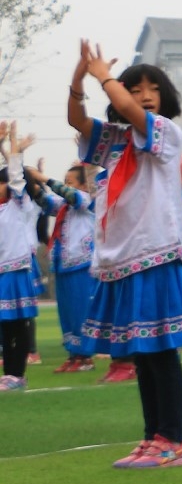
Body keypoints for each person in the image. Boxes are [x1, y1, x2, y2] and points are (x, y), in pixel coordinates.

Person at [70, 44, 182, 465]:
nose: (144, 95)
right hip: (124, 259)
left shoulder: (165, 132)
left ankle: (174, 442)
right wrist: (79, 79)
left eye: (152, 88)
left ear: (164, 97)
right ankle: (151, 438)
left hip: (155, 254)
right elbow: (76, 120)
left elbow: (127, 106)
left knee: (161, 352)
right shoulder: (117, 142)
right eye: (136, 88)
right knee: (141, 354)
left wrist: (105, 77)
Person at [28, 158, 97, 374]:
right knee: (66, 314)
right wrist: (30, 180)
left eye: (71, 182)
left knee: (80, 312)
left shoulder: (85, 200)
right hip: (62, 265)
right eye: (65, 181)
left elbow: (69, 194)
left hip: (81, 265)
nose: (67, 186)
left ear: (84, 186)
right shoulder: (63, 207)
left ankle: (85, 357)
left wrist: (44, 178)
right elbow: (43, 200)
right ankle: (72, 355)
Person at [0, 125, 40, 390]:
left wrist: (13, 148)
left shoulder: (20, 205)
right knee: (4, 328)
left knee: (18, 325)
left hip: (16, 272)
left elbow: (16, 177)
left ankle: (18, 374)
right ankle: (10, 373)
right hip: (2, 274)